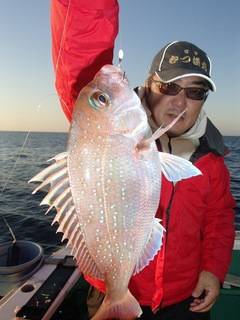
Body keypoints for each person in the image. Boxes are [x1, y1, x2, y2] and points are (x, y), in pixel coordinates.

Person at [51, 2, 235, 319]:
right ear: (148, 86)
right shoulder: (98, 133)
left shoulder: (213, 162)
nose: (180, 101)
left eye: (195, 92)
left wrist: (213, 270)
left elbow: (219, 221)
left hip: (185, 298)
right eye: (169, 86)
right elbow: (81, 57)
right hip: (112, 286)